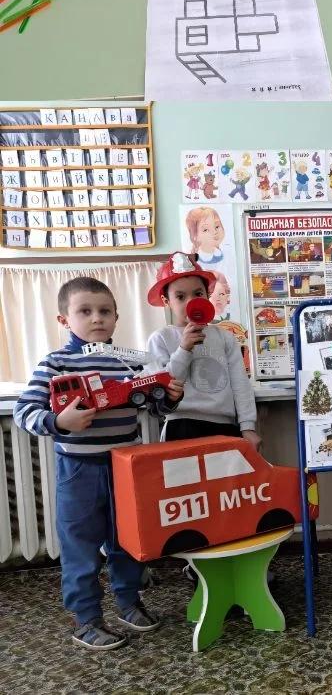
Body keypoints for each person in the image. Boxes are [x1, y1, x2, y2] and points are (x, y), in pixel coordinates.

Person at [13, 277, 182, 650]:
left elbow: (154, 408)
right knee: (81, 546)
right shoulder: (55, 363)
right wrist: (58, 422)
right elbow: (24, 411)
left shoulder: (128, 360)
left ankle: (129, 602)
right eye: (85, 311)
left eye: (105, 311)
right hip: (79, 470)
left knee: (128, 540)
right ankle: (86, 619)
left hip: (127, 467)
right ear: (64, 319)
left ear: (116, 317)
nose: (97, 318)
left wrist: (169, 397)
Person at [146, 253, 260, 446]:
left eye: (198, 294)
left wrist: (248, 427)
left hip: (224, 426)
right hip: (180, 425)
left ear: (208, 295)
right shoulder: (161, 338)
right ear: (167, 302)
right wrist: (184, 348)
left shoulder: (224, 337)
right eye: (180, 297)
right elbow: (163, 387)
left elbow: (240, 384)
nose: (191, 302)